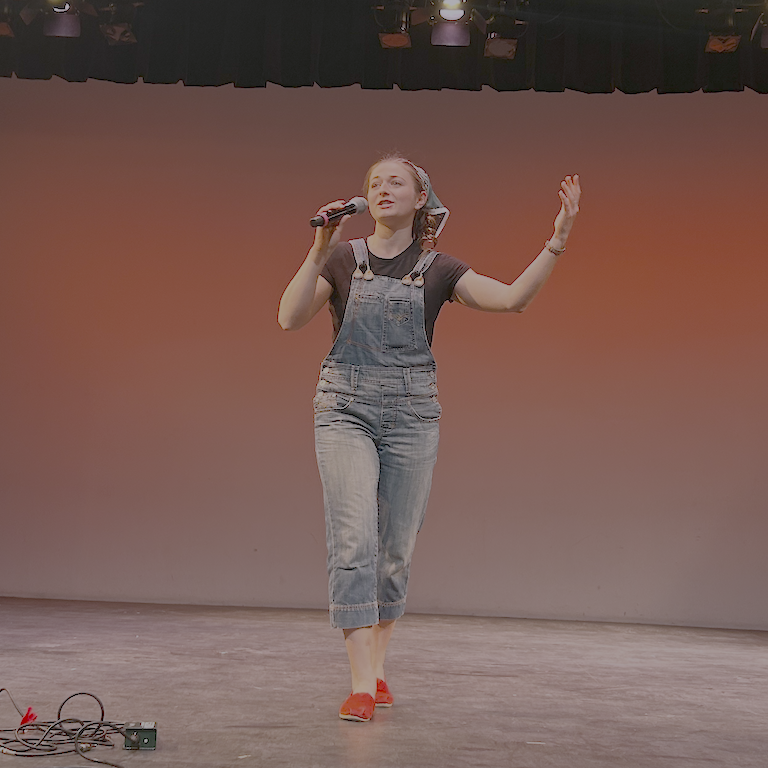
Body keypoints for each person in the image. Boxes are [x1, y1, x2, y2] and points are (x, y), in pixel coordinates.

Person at [278, 155, 581, 722]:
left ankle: (378, 670)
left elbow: (512, 299)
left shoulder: (439, 269)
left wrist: (557, 241)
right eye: (374, 182)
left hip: (412, 414)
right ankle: (360, 685)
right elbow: (289, 319)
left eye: (396, 182)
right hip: (344, 408)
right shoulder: (342, 258)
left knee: (395, 550)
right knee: (354, 538)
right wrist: (318, 249)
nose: (382, 189)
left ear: (421, 199)